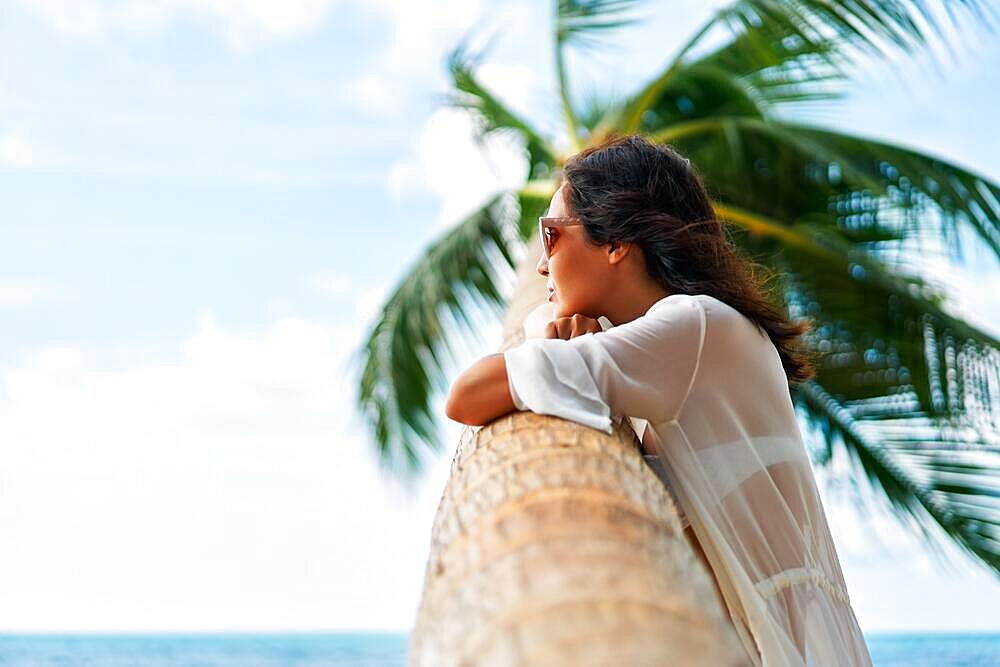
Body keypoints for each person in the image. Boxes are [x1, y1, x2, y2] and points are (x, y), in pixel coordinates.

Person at [445, 134, 873, 666]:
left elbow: (465, 395)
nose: (540, 265)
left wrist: (540, 330)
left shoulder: (691, 325)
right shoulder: (696, 331)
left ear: (616, 241)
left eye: (550, 235)